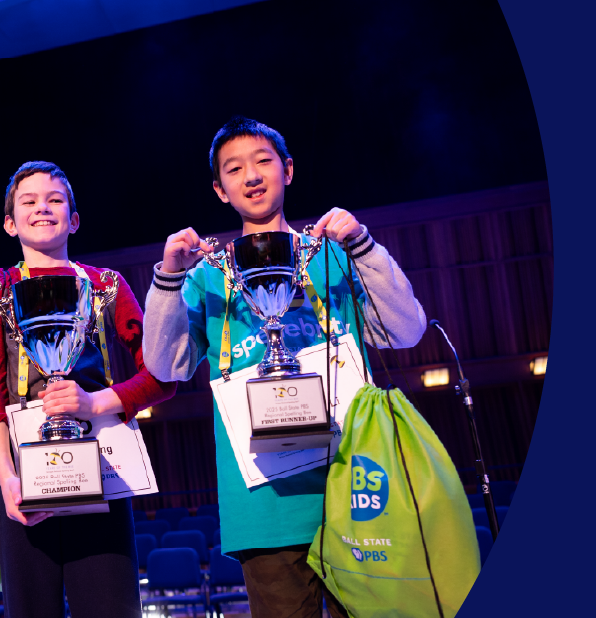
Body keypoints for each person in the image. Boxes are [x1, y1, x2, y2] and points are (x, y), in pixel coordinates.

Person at [143, 117, 427, 618]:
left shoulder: (332, 256)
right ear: (220, 190)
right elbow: (166, 366)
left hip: (354, 489)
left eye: (263, 161)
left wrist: (362, 244)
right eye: (234, 169)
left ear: (288, 170)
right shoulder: (208, 274)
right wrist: (168, 277)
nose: (250, 175)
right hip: (264, 506)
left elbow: (406, 331)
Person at [0, 161, 178, 618]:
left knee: (111, 610)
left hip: (101, 468)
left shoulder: (105, 285)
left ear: (74, 219)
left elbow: (163, 375)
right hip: (21, 475)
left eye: (55, 200)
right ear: (9, 223)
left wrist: (94, 402)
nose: (42, 208)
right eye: (28, 201)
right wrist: (6, 477)